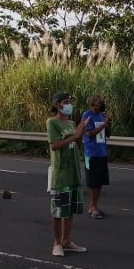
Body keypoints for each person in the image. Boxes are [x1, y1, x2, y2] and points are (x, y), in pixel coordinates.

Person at [47, 92, 90, 257]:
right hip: (61, 173)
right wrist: (75, 136)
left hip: (74, 171)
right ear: (58, 105)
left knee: (70, 209)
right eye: (65, 102)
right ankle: (57, 243)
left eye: (70, 102)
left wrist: (80, 129)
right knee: (58, 210)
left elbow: (76, 140)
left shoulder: (71, 123)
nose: (69, 105)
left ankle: (67, 240)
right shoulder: (52, 122)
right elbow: (54, 145)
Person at [81, 95, 112, 219]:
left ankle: (95, 206)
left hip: (102, 152)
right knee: (93, 182)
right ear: (92, 104)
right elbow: (89, 134)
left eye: (102, 101)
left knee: (100, 181)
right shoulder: (87, 115)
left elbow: (108, 134)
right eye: (99, 102)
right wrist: (104, 124)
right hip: (92, 153)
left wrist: (109, 122)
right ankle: (92, 207)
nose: (102, 103)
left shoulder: (102, 115)